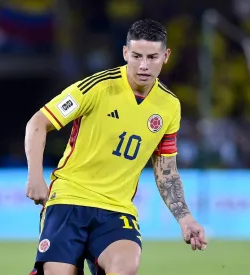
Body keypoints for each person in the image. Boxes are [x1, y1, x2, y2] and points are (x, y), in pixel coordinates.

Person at [24, 19, 208, 275]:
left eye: (152, 57)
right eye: (137, 56)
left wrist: (185, 217)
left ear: (165, 56)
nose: (144, 65)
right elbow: (37, 123)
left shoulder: (169, 106)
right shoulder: (97, 87)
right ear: (125, 53)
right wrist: (35, 176)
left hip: (116, 210)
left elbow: (166, 171)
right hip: (69, 200)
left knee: (125, 267)